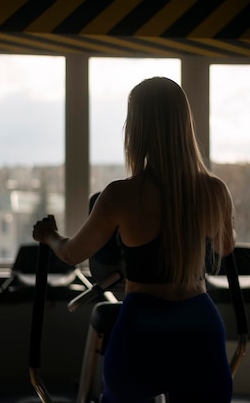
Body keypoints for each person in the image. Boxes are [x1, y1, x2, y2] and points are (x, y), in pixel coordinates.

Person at [33, 76, 236, 403]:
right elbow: (226, 249)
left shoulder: (121, 195)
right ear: (185, 125)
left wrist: (49, 235)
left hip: (144, 327)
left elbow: (71, 254)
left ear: (136, 128)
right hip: (199, 324)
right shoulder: (214, 191)